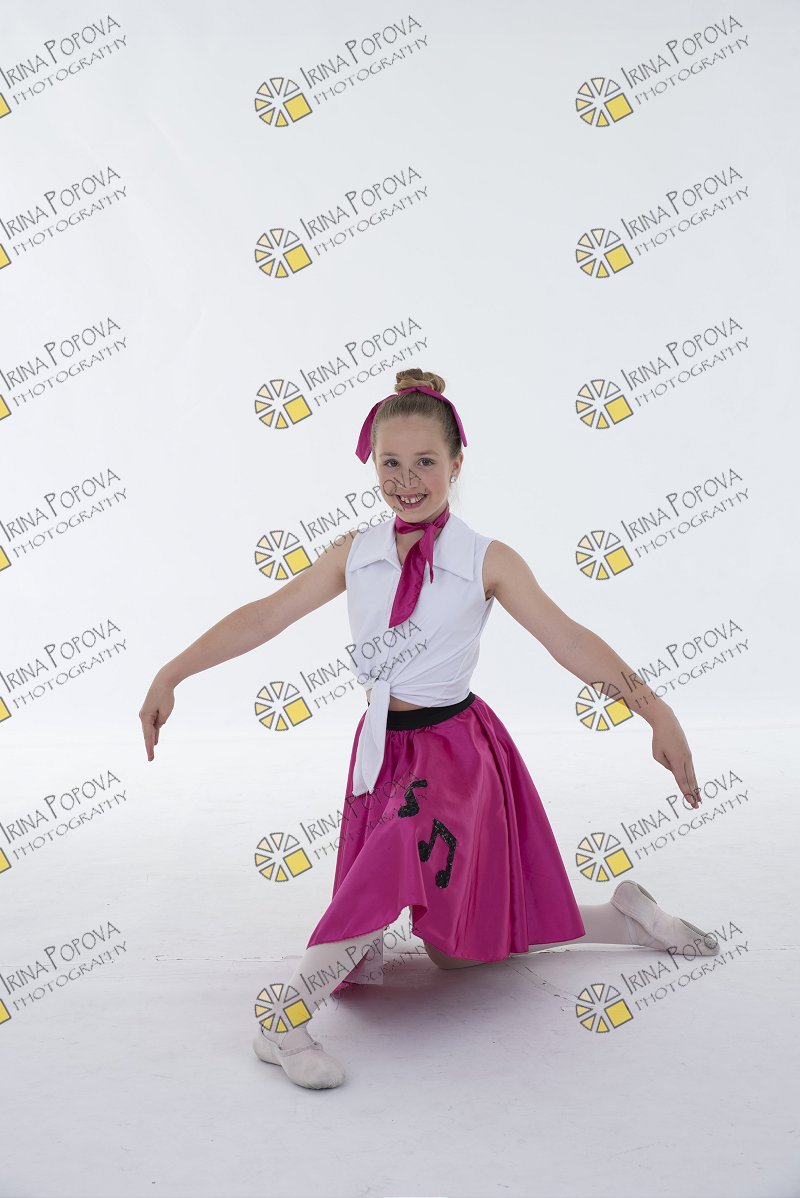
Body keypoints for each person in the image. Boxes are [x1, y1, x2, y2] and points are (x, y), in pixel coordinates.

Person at [139, 367, 719, 1092]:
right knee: (458, 953)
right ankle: (621, 918)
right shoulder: (354, 553)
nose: (407, 480)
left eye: (425, 462)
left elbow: (570, 640)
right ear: (372, 465)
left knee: (394, 863)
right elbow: (263, 617)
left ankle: (282, 1019)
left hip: (455, 754)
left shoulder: (486, 560)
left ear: (456, 463)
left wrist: (655, 710)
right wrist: (173, 672)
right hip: (383, 751)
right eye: (391, 463)